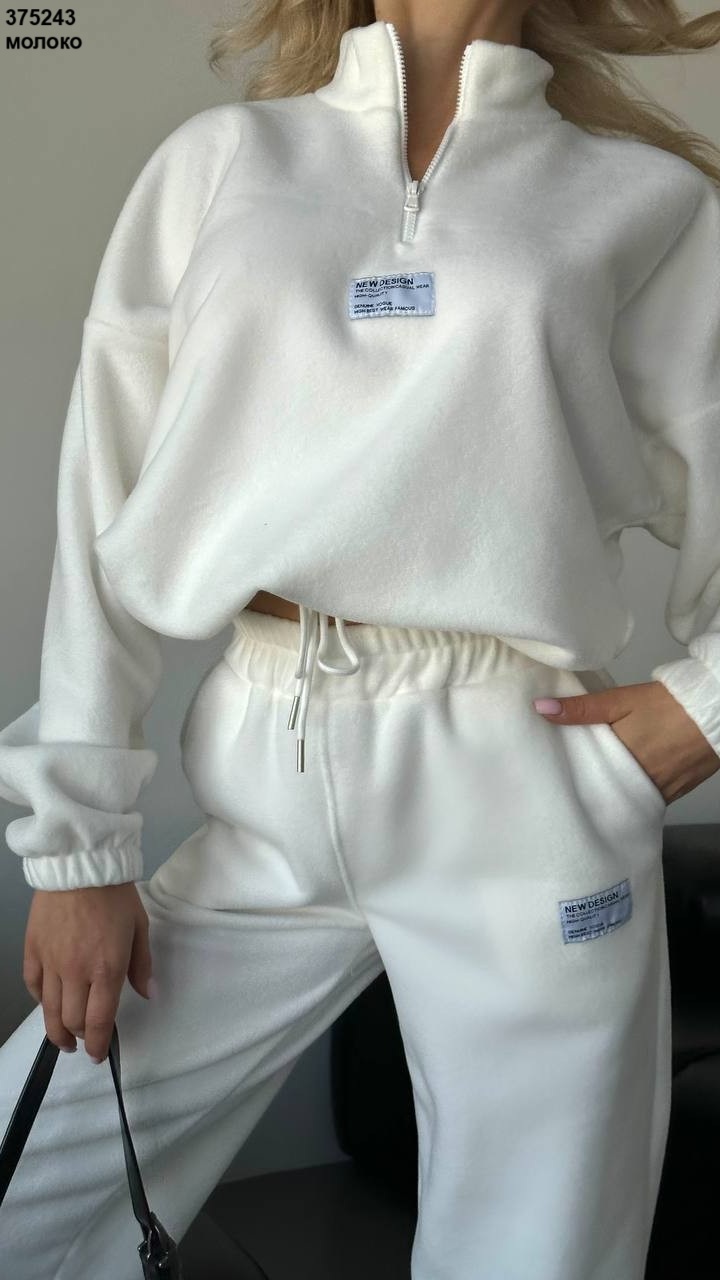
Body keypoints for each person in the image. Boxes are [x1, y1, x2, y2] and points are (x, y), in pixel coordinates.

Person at [1, 1, 719, 1276]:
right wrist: (78, 847)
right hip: (265, 749)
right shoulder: (223, 163)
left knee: (534, 1252)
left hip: (521, 776)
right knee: (31, 1174)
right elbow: (101, 495)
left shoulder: (644, 199)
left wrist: (703, 707)